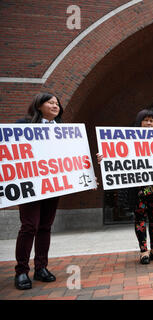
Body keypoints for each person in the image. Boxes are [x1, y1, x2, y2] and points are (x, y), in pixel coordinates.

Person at [97, 109, 153, 264]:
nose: (149, 123)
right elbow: (116, 155)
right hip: (137, 188)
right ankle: (144, 251)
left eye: (152, 121)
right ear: (139, 122)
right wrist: (104, 158)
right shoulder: (128, 139)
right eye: (146, 120)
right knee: (140, 218)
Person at [14, 92, 64, 290]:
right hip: (30, 186)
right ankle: (21, 271)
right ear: (39, 105)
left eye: (57, 103)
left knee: (45, 226)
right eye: (50, 102)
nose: (55, 105)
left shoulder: (63, 130)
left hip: (53, 186)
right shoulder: (22, 126)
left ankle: (41, 267)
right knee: (29, 227)